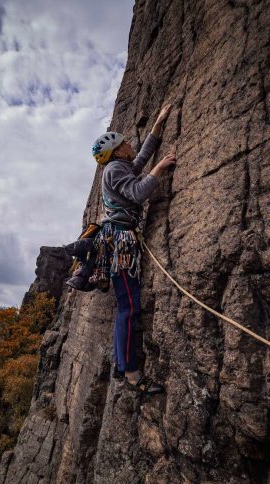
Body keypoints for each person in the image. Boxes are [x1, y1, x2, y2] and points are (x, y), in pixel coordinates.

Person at [91, 104, 176, 395]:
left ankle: (121, 363)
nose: (130, 144)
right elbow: (139, 192)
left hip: (120, 239)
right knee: (129, 307)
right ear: (116, 151)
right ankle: (131, 374)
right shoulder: (114, 169)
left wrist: (158, 124)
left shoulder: (119, 166)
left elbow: (139, 161)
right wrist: (162, 167)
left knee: (126, 308)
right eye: (124, 142)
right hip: (120, 244)